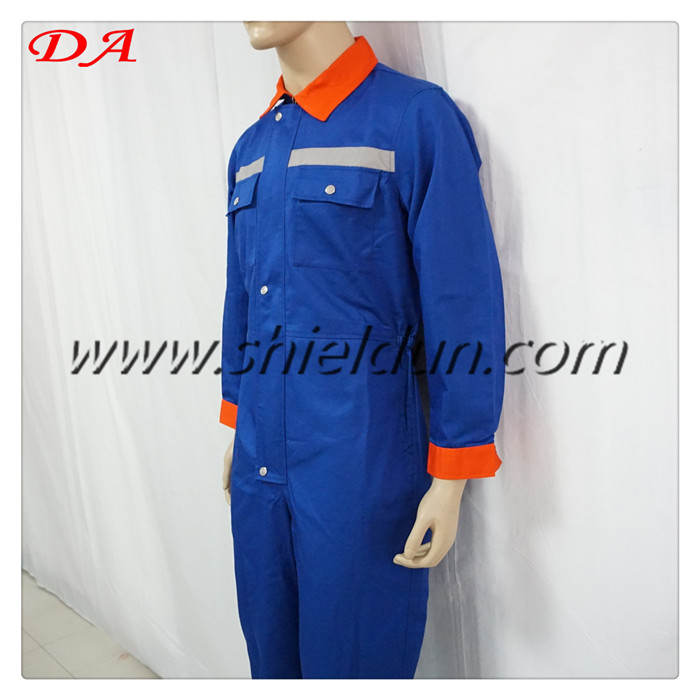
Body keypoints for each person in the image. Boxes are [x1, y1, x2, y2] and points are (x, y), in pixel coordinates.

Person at [219, 21, 505, 679]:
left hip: (359, 465)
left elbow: (462, 299)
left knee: (353, 665)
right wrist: (238, 419)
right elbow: (241, 295)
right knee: (270, 659)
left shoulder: (413, 118)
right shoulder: (250, 148)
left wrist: (452, 473)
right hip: (259, 462)